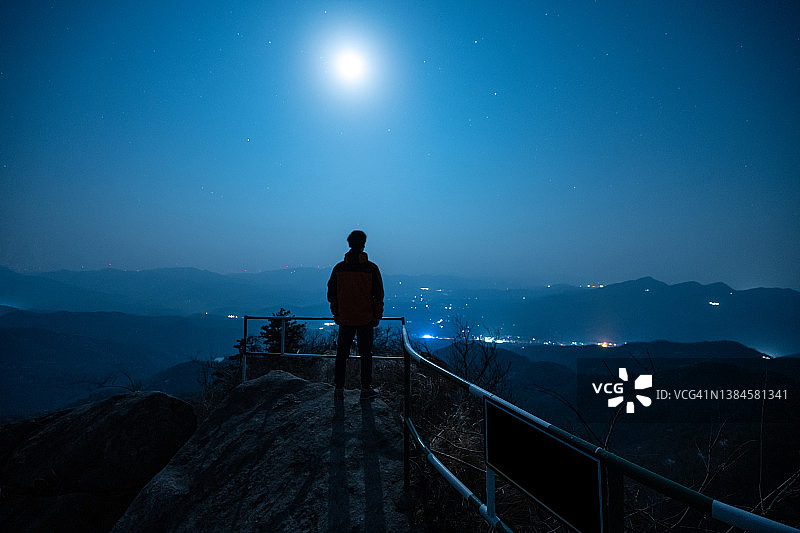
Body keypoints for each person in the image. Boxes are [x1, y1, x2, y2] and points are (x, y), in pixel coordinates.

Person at [327, 230, 384, 399]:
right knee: (366, 355)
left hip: (345, 319)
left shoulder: (339, 268)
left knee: (341, 355)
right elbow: (378, 295)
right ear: (363, 244)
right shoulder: (371, 268)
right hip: (365, 319)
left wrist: (336, 314)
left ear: (349, 244)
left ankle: (339, 388)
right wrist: (376, 317)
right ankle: (365, 389)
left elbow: (331, 294)